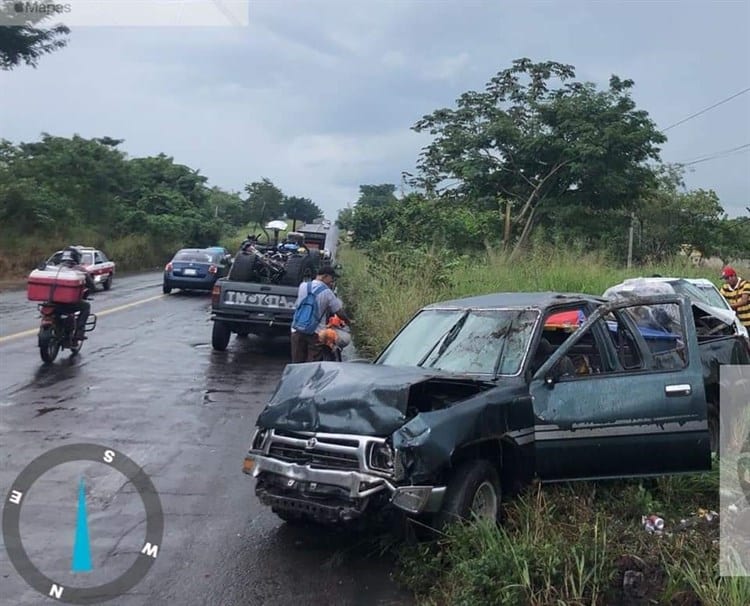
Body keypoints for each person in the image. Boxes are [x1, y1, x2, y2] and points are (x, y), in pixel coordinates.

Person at [290, 266, 352, 363]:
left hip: (297, 329)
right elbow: (339, 312)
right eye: (332, 278)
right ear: (325, 276)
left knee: (296, 362)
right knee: (312, 364)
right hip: (316, 333)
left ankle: (295, 377)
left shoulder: (303, 286)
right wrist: (349, 322)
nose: (332, 281)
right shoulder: (327, 292)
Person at [58, 246, 96, 340]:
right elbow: (91, 285)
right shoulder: (80, 269)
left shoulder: (56, 268)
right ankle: (79, 333)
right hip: (68, 303)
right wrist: (91, 289)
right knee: (86, 306)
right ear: (76, 257)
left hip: (52, 301)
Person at [719, 266, 750, 330]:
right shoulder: (725, 287)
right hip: (738, 323)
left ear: (733, 276)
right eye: (725, 279)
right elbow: (719, 298)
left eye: (727, 278)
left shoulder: (746, 284)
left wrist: (728, 307)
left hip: (748, 321)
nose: (726, 281)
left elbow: (744, 301)